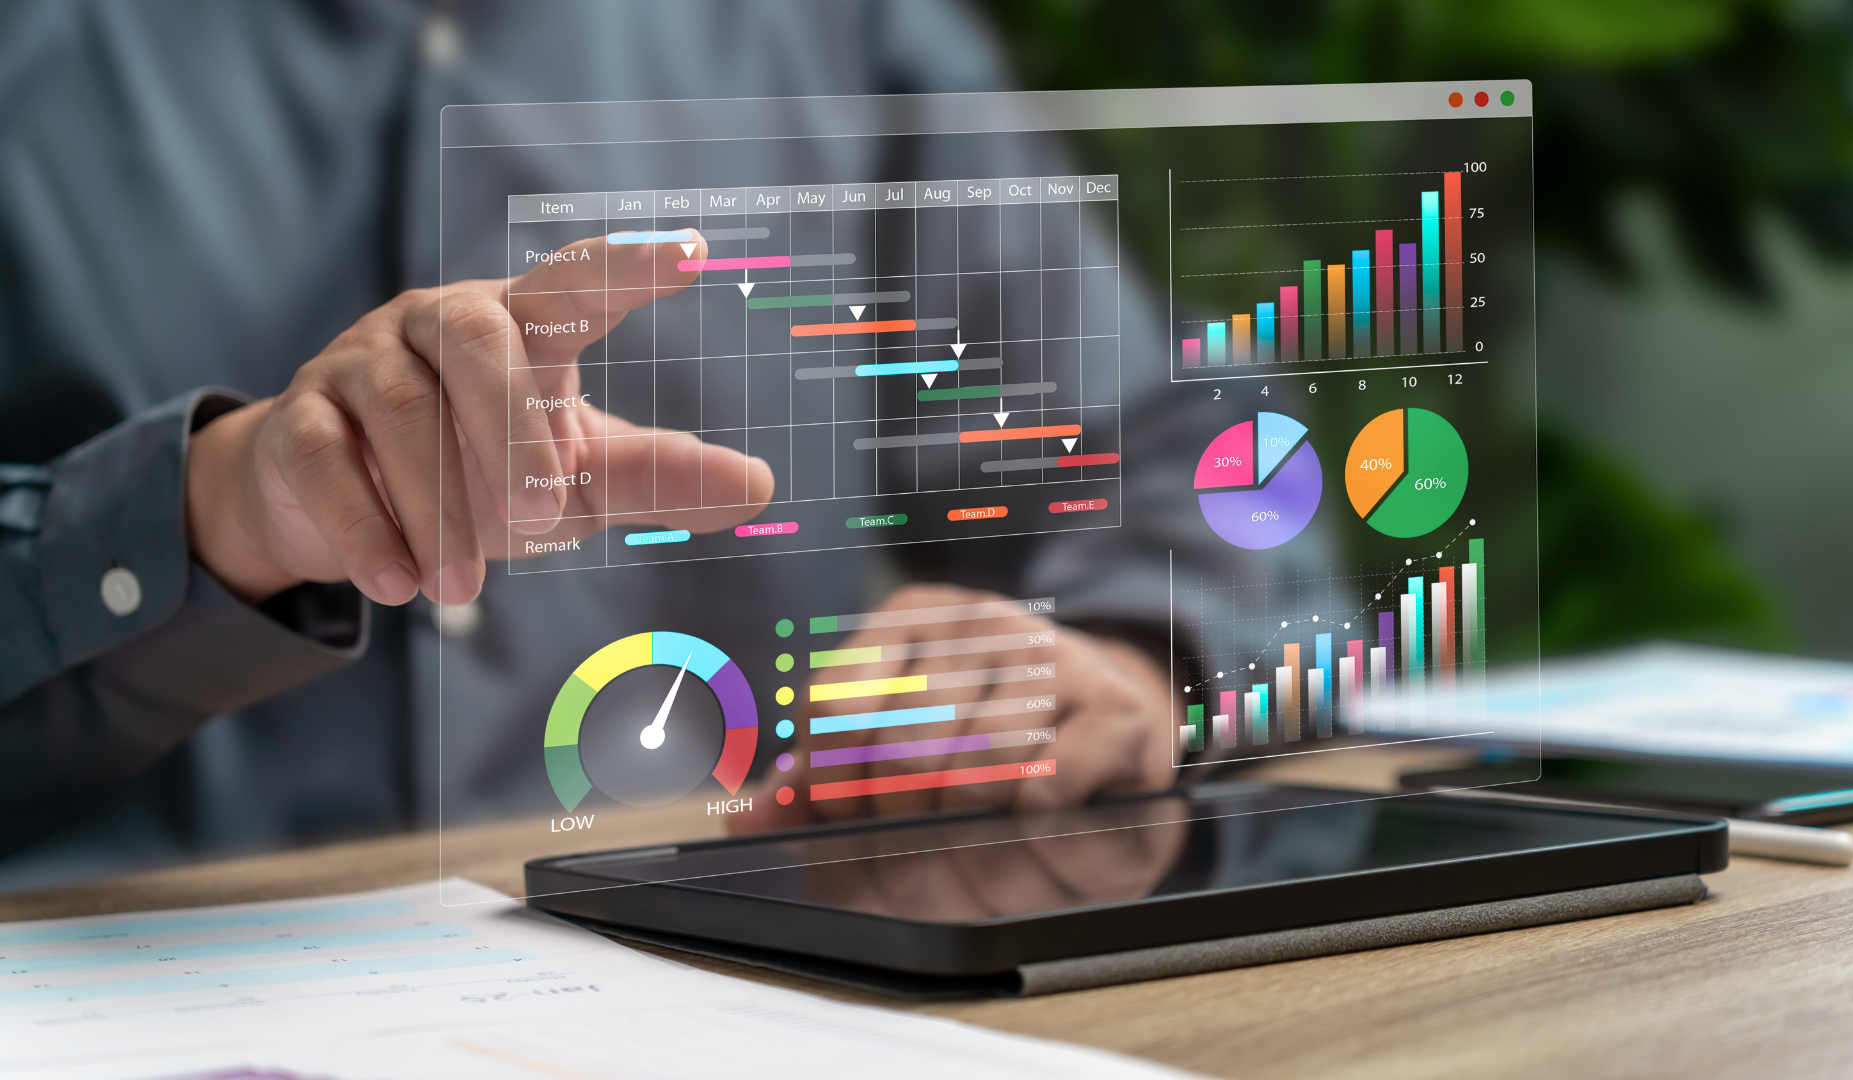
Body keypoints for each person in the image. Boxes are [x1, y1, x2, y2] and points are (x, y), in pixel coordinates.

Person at [0, 0, 1197, 888]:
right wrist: (211, 512)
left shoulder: (844, 29)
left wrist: (1114, 657)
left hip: (744, 974)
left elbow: (1166, 445)